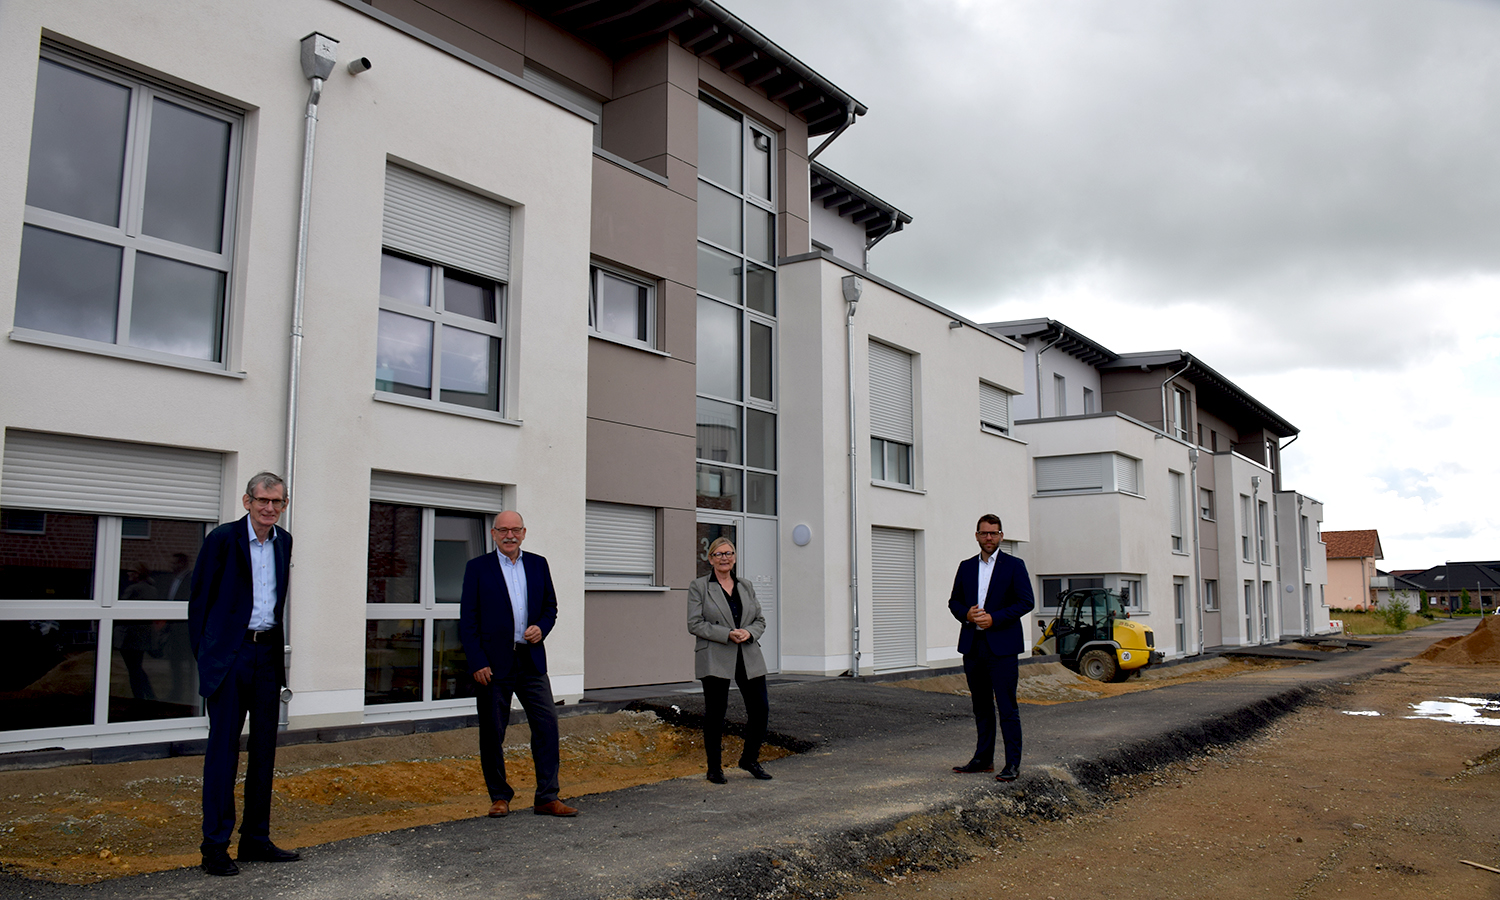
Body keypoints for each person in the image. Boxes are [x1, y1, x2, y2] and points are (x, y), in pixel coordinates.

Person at [188, 472, 299, 876]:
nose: (270, 508)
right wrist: (207, 656)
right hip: (229, 659)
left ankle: (255, 839)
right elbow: (199, 600)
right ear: (247, 501)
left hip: (266, 656)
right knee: (223, 754)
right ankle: (215, 847)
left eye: (278, 502)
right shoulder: (222, 539)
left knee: (265, 753)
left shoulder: (284, 541)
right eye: (263, 500)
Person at [458, 510, 578, 818]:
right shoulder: (478, 568)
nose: (509, 535)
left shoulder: (538, 564)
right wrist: (477, 661)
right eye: (503, 530)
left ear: (524, 533)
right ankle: (499, 796)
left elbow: (551, 607)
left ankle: (547, 797)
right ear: (493, 534)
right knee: (492, 732)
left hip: (531, 659)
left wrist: (542, 627)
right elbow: (468, 620)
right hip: (493, 665)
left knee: (547, 726)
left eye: (515, 530)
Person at [948, 514, 1034, 782]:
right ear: (976, 535)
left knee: (1007, 707)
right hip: (974, 646)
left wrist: (995, 618)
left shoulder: (1014, 565)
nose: (989, 538)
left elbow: (1026, 602)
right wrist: (968, 615)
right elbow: (954, 602)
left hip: (1003, 647)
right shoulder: (965, 567)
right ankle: (983, 759)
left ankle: (1012, 764)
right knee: (981, 705)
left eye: (994, 533)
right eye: (984, 533)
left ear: (1001, 536)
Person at [687, 537, 772, 783]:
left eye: (729, 553)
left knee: (760, 709)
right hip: (715, 654)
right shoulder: (699, 586)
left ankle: (749, 760)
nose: (724, 558)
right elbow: (694, 623)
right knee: (716, 714)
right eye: (719, 554)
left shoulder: (745, 585)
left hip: (748, 653)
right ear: (710, 558)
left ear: (734, 556)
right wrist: (726, 634)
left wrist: (749, 632)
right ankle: (714, 768)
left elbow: (760, 620)